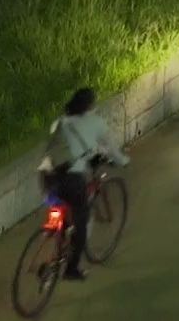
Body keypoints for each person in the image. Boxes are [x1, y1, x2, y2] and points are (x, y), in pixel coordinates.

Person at [43, 86, 125, 279]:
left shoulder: (60, 122)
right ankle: (71, 270)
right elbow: (102, 148)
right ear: (88, 107)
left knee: (60, 208)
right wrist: (121, 160)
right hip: (70, 179)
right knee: (82, 221)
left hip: (47, 175)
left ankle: (58, 245)